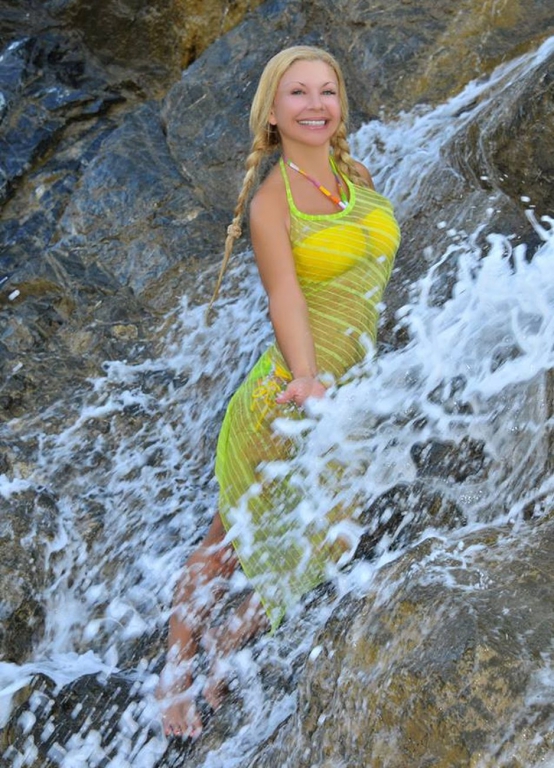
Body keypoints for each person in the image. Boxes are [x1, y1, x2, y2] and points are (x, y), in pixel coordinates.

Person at [156, 44, 401, 740]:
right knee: (230, 538)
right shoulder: (273, 202)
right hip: (288, 398)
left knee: (332, 534)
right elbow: (284, 296)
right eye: (298, 93)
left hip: (346, 394)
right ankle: (175, 676)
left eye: (327, 91)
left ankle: (228, 641)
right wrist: (305, 375)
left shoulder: (357, 176)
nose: (316, 104)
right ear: (271, 111)